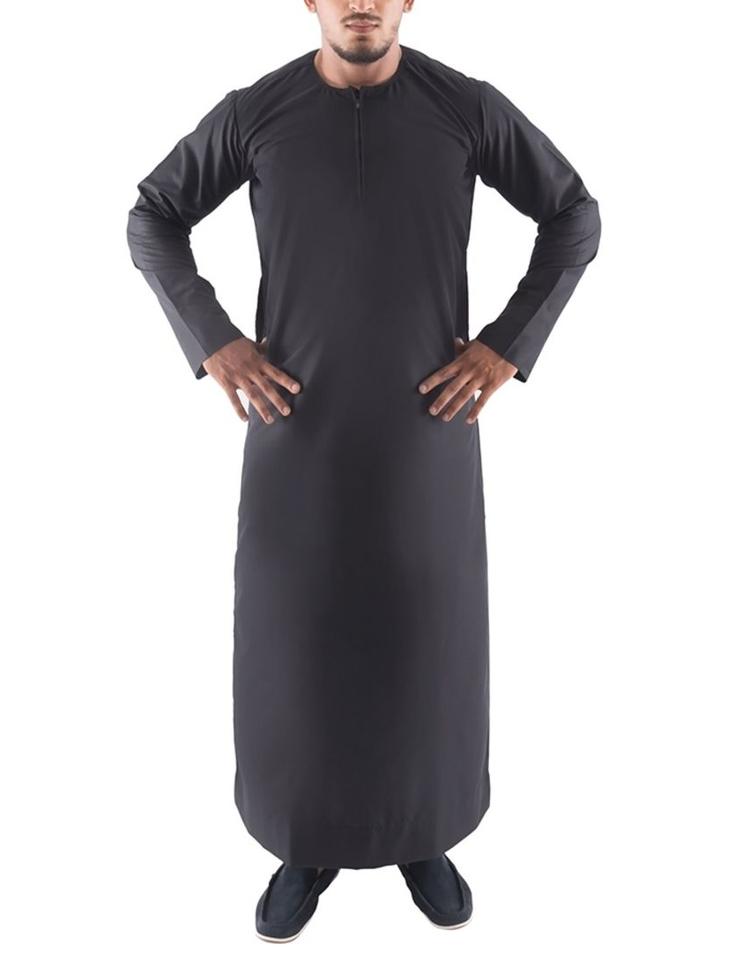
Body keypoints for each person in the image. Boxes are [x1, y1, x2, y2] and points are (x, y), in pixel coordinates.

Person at [126, 0, 601, 942]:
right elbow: (154, 216)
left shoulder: (466, 108)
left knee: (428, 638)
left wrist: (506, 344)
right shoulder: (255, 112)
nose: (361, 2)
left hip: (428, 428)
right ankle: (304, 844)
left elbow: (573, 215)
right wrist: (214, 339)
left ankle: (424, 837)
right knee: (295, 642)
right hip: (294, 431)